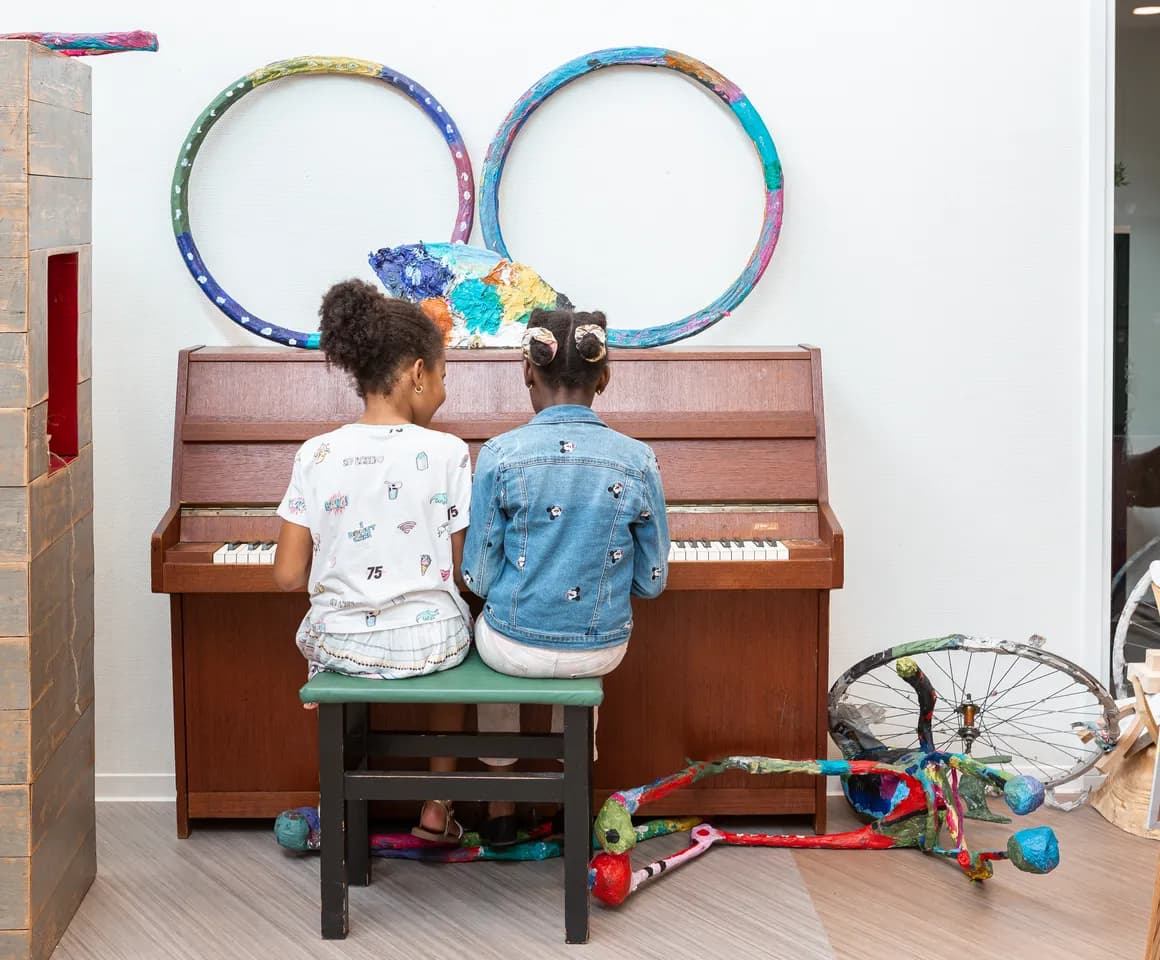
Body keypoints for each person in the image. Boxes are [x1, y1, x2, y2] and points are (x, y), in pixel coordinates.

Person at [273, 279, 471, 844]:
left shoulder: (317, 453)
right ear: (415, 373)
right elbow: (462, 572)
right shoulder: (449, 452)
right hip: (435, 646)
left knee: (325, 636)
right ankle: (437, 805)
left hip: (343, 644)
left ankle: (332, 805)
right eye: (442, 377)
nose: (443, 391)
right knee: (449, 625)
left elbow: (287, 575)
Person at [461, 309, 670, 844]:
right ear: (606, 377)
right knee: (576, 659)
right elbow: (652, 582)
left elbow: (478, 578)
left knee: (496, 634)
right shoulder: (639, 459)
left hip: (513, 645)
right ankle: (569, 799)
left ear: (527, 372)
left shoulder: (500, 454)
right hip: (599, 647)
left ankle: (501, 807)